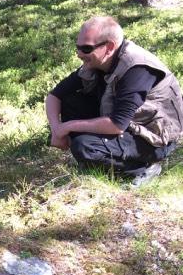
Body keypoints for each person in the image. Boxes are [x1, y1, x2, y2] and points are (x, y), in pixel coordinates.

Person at [46, 16, 183, 186]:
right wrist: (56, 128)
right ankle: (98, 156)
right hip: (127, 123)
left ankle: (143, 169)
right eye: (78, 47)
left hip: (152, 138)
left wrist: (67, 127)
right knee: (70, 101)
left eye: (86, 48)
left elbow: (117, 125)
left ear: (109, 47)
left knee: (85, 147)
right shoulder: (97, 62)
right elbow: (55, 96)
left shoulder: (136, 69)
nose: (79, 54)